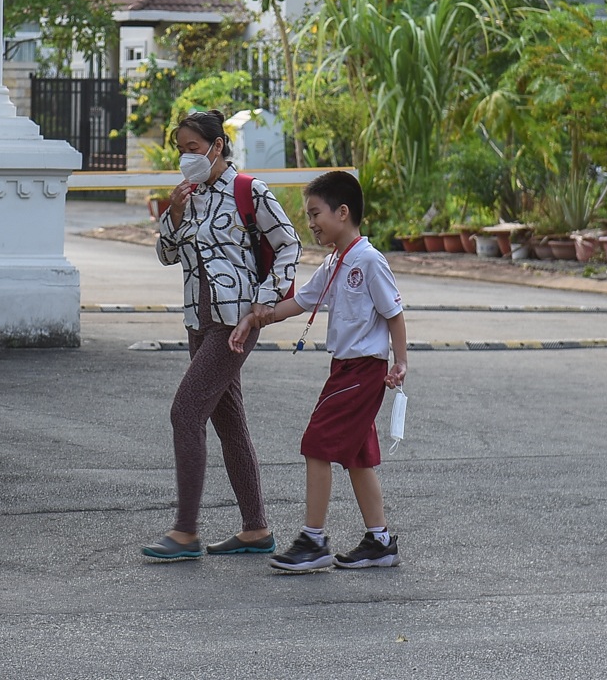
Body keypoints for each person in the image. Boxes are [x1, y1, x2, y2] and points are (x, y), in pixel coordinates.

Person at [140, 109, 302, 562]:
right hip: (199, 321)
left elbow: (290, 243)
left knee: (185, 413)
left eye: (191, 149)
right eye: (180, 150)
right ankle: (256, 529)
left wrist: (264, 302)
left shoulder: (249, 190)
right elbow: (167, 256)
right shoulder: (190, 197)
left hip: (235, 324)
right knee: (229, 422)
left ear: (217, 145)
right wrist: (173, 213)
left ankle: (185, 531)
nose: (184, 158)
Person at [231, 169, 407, 572]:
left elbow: (394, 313)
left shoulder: (368, 260)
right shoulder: (334, 262)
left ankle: (313, 540)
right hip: (344, 368)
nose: (310, 223)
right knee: (358, 457)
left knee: (316, 444)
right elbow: (300, 302)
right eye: (308, 216)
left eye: (315, 214)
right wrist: (255, 319)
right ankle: (379, 541)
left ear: (342, 212)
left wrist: (401, 362)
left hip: (362, 370)